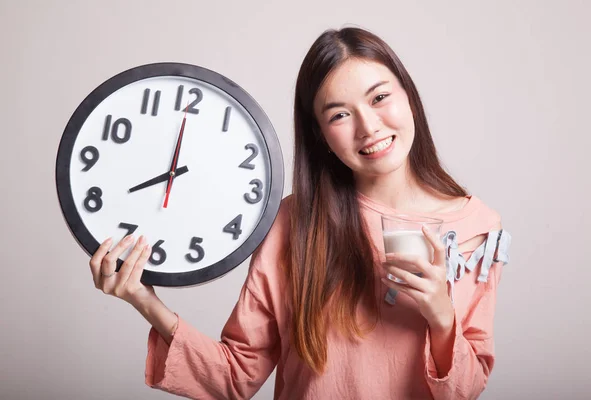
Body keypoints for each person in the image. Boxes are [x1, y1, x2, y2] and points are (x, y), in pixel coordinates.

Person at [89, 26, 511, 399]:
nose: (369, 127)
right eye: (340, 114)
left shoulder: (477, 228)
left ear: (409, 97)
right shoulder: (296, 223)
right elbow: (234, 377)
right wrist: (143, 299)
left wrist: (441, 315)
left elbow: (465, 389)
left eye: (380, 97)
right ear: (321, 134)